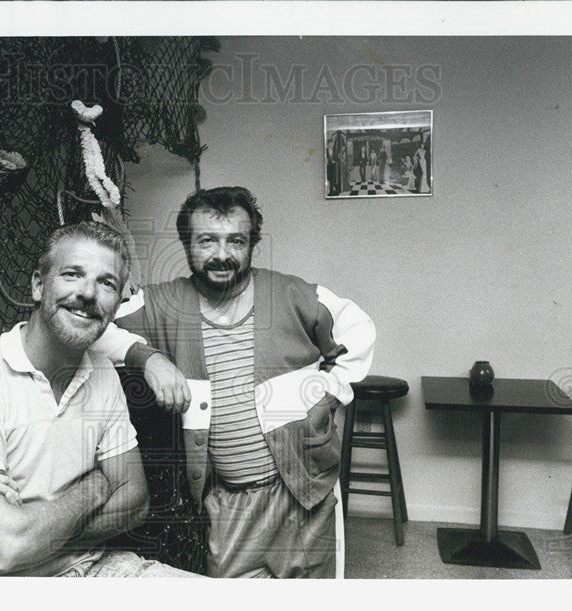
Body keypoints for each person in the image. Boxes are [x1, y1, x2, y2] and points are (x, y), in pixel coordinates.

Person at [92, 187, 376, 578]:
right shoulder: (164, 303)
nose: (222, 254)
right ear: (188, 244)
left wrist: (327, 391)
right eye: (207, 240)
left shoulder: (291, 294)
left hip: (304, 489)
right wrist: (149, 358)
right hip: (226, 500)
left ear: (252, 244)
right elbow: (93, 329)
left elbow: (357, 329)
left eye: (236, 241)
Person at [0, 221, 198, 577]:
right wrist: (95, 485)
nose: (88, 293)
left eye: (106, 283)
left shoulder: (102, 373)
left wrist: (36, 524)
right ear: (38, 285)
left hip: (94, 569)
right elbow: (7, 547)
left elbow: (135, 501)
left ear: (117, 303)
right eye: (72, 274)